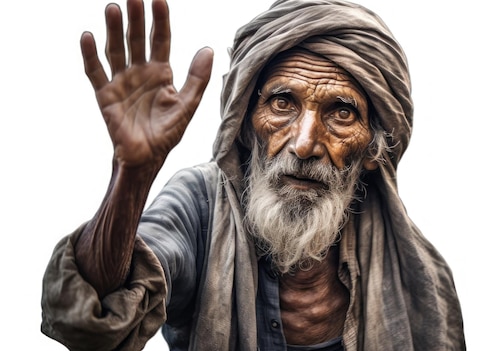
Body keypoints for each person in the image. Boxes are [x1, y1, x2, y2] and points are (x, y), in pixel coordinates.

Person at [40, 0, 466, 350]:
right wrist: (131, 176)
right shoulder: (201, 203)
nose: (304, 144)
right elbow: (91, 313)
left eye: (341, 112)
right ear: (246, 122)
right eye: (282, 103)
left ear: (373, 147)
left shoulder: (421, 275)